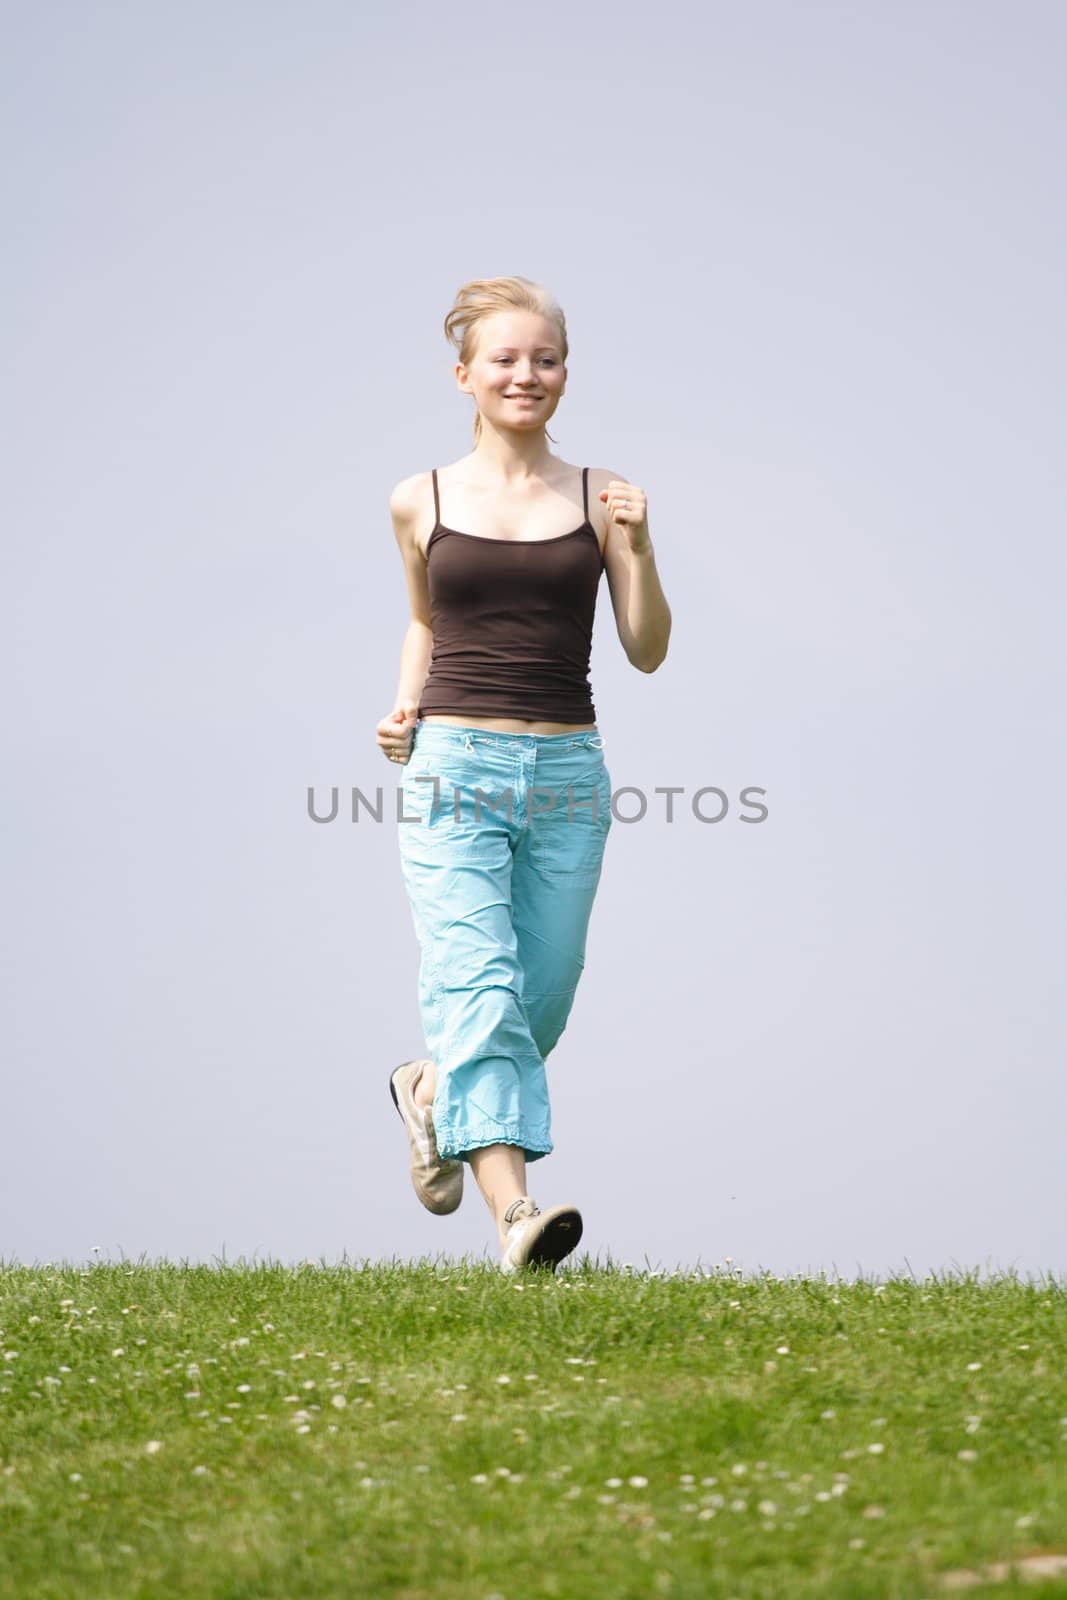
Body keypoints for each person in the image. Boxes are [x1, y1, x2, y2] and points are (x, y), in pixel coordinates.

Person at [376, 276, 671, 1273]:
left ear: (564, 373)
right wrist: (402, 706)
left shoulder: (601, 495)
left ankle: (429, 1088)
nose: (524, 374)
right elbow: (425, 623)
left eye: (542, 358)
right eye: (503, 358)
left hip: (566, 772)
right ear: (463, 375)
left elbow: (645, 649)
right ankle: (515, 1217)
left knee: (541, 991)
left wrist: (639, 546)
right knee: (480, 982)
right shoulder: (417, 498)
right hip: (452, 762)